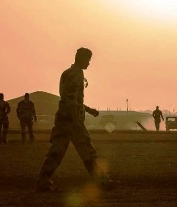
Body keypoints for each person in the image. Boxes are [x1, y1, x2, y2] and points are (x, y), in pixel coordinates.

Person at [36, 47, 117, 191]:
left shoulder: (66, 74)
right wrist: (76, 122)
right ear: (81, 58)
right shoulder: (77, 75)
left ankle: (43, 181)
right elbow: (72, 100)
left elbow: (68, 98)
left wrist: (88, 110)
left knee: (56, 153)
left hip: (62, 119)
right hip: (72, 121)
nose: (89, 63)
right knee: (88, 152)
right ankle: (102, 181)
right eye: (88, 60)